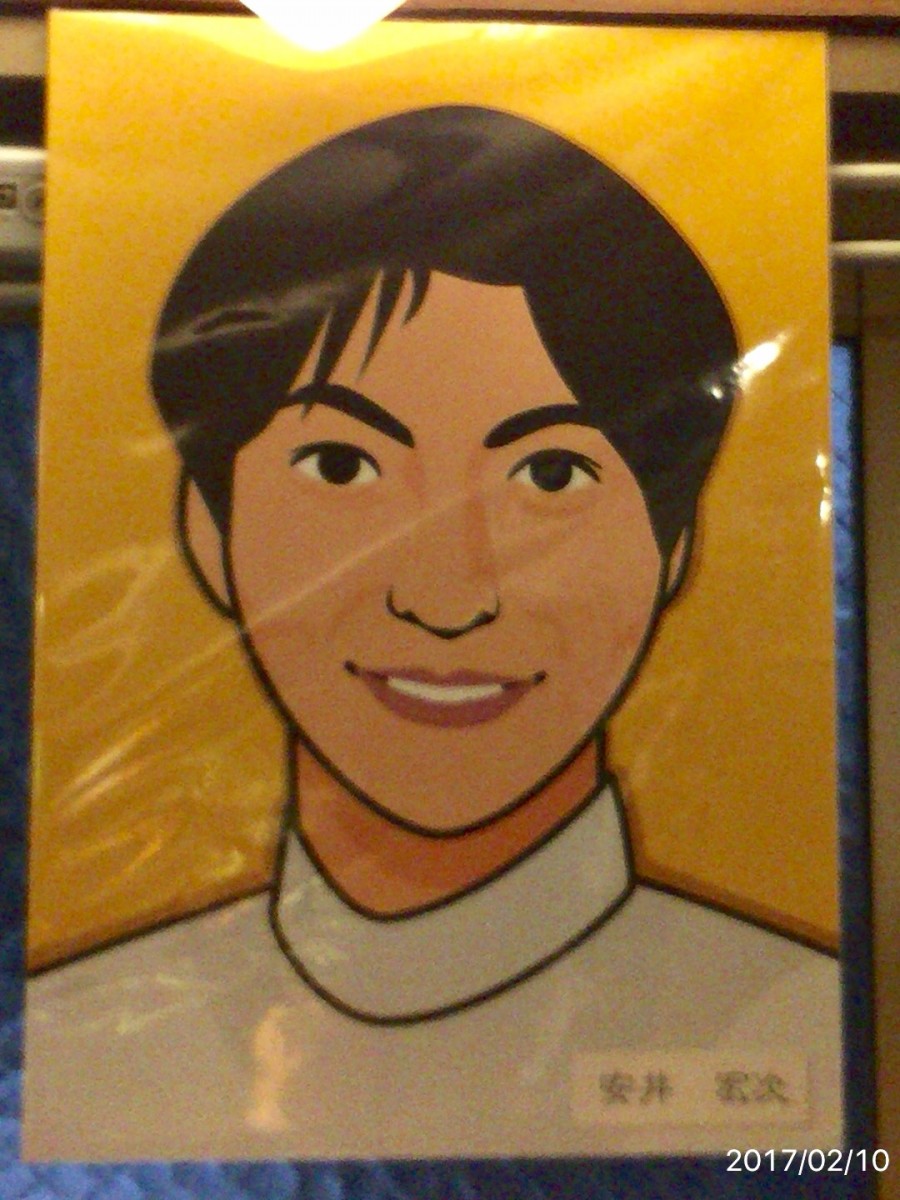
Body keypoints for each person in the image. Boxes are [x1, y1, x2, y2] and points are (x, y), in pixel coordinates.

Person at [24, 106, 841, 1159]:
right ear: (207, 531)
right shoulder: (92, 1042)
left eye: (551, 474)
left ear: (674, 543)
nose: (448, 597)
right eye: (342, 465)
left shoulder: (788, 1022)